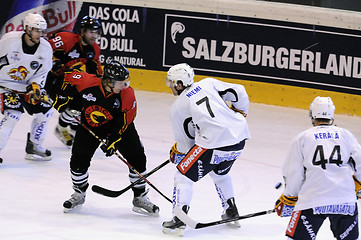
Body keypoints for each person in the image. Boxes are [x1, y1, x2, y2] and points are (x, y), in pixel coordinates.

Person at [54, 60, 159, 216]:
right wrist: (63, 97)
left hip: (119, 127)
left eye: (126, 81)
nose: (125, 85)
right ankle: (79, 194)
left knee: (137, 158)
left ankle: (140, 197)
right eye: (121, 82)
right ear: (108, 81)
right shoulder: (87, 81)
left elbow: (126, 120)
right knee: (78, 161)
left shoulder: (127, 93)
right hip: (90, 126)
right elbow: (67, 76)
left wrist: (114, 139)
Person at [162, 63, 251, 235]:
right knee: (220, 173)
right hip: (239, 138)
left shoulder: (177, 108)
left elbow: (185, 145)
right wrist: (241, 113)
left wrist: (179, 154)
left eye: (172, 83)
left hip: (212, 144)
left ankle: (179, 218)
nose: (171, 86)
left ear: (179, 84)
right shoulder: (208, 83)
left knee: (183, 174)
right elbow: (240, 91)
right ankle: (231, 210)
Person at [275, 96, 361, 240]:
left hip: (312, 201)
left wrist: (289, 197)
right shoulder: (346, 135)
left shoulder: (302, 138)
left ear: (311, 114)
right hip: (345, 201)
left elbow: (294, 173)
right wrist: (359, 183)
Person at [0, 13, 53, 163]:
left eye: (42, 31)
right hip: (3, 85)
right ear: (27, 29)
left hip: (25, 86)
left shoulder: (45, 48)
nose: (40, 34)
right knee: (13, 115)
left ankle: (34, 146)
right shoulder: (10, 41)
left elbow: (42, 72)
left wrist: (35, 87)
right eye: (37, 30)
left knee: (46, 110)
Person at [46, 16, 103, 147]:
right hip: (48, 79)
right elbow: (43, 48)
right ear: (82, 31)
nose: (94, 35)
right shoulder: (66, 39)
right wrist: (52, 62)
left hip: (66, 81)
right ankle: (62, 128)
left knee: (83, 103)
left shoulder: (94, 50)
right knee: (68, 106)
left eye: (96, 32)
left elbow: (95, 74)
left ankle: (73, 128)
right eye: (91, 31)